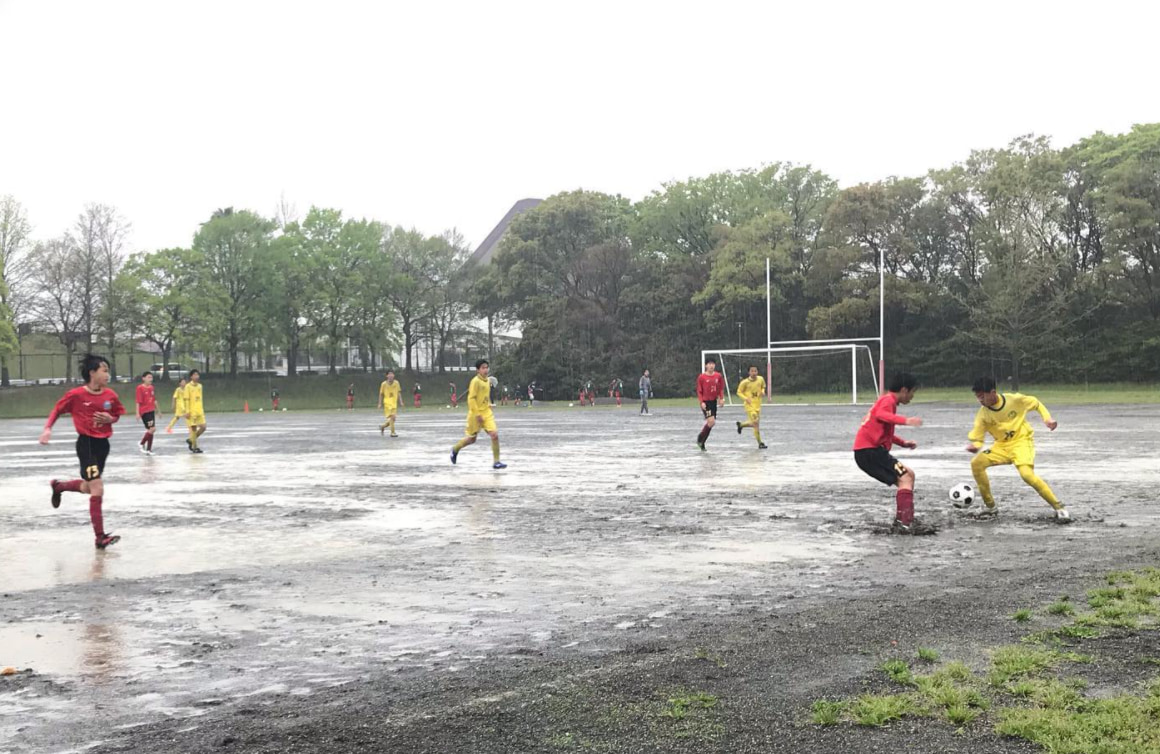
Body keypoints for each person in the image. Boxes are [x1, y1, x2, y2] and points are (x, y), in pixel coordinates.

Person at [39, 354, 125, 549]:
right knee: (98, 487)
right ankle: (100, 537)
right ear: (92, 372)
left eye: (108, 371)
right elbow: (57, 410)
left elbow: (118, 414)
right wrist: (47, 429)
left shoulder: (110, 395)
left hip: (103, 445)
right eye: (104, 370)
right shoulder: (76, 395)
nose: (107, 374)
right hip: (85, 445)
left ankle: (59, 486)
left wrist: (110, 419)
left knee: (89, 487)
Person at [966, 377, 1071, 523]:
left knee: (1027, 475)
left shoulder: (1014, 400)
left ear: (992, 392)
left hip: (1021, 442)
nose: (980, 400)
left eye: (982, 396)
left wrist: (1048, 419)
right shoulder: (983, 414)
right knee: (976, 463)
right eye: (977, 397)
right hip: (1001, 446)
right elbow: (978, 437)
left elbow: (1036, 403)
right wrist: (975, 446)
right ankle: (991, 508)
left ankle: (1059, 508)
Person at [853, 372, 931, 534]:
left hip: (868, 451)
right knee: (906, 478)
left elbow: (882, 428)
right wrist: (906, 420)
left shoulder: (885, 401)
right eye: (912, 392)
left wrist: (903, 443)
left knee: (908, 475)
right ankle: (905, 524)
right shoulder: (888, 401)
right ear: (904, 390)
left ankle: (903, 519)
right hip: (870, 452)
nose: (912, 397)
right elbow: (883, 416)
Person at [450, 359, 506, 470]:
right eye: (483, 368)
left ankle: (496, 462)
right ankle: (455, 449)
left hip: (487, 413)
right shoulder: (475, 381)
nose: (485, 370)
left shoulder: (488, 381)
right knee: (471, 439)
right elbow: (471, 399)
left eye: (486, 367)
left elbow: (485, 397)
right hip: (475, 415)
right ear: (478, 370)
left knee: (494, 435)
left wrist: (489, 404)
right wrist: (477, 414)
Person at [695, 358, 726, 451]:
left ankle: (702, 442)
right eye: (709, 364)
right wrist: (701, 402)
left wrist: (721, 398)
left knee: (711, 424)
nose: (711, 366)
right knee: (711, 422)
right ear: (706, 366)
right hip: (706, 402)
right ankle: (700, 438)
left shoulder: (718, 376)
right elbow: (699, 391)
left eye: (713, 364)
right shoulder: (702, 377)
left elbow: (720, 388)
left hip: (713, 402)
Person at [735, 365, 768, 449]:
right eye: (752, 371)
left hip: (757, 405)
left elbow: (763, 386)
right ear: (749, 372)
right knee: (756, 423)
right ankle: (760, 443)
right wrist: (746, 398)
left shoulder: (760, 379)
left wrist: (763, 391)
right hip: (749, 406)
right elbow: (738, 392)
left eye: (755, 371)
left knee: (755, 423)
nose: (754, 373)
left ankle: (741, 425)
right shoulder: (744, 382)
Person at [134, 370, 159, 455]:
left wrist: (158, 411)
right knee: (152, 429)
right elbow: (138, 401)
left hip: (151, 411)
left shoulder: (151, 387)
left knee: (150, 430)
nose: (150, 379)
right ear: (143, 378)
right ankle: (141, 443)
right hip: (145, 412)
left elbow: (154, 399)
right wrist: (137, 413)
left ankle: (149, 449)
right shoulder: (140, 388)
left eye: (151, 377)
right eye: (148, 377)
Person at [184, 369, 206, 453]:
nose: (197, 376)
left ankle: (190, 440)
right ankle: (195, 447)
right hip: (191, 411)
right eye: (195, 375)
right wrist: (187, 411)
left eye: (198, 375)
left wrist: (201, 409)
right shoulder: (188, 386)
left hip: (199, 410)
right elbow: (186, 399)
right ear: (191, 376)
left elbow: (200, 399)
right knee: (193, 429)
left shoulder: (200, 386)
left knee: (203, 427)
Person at [378, 370, 401, 436]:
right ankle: (392, 432)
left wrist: (401, 401)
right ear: (387, 376)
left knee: (393, 419)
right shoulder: (383, 384)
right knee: (392, 417)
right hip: (387, 403)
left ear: (394, 375)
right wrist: (379, 403)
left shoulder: (397, 383)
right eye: (389, 374)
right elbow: (381, 394)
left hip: (394, 403)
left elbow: (399, 392)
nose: (391, 376)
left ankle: (382, 426)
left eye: (392, 374)